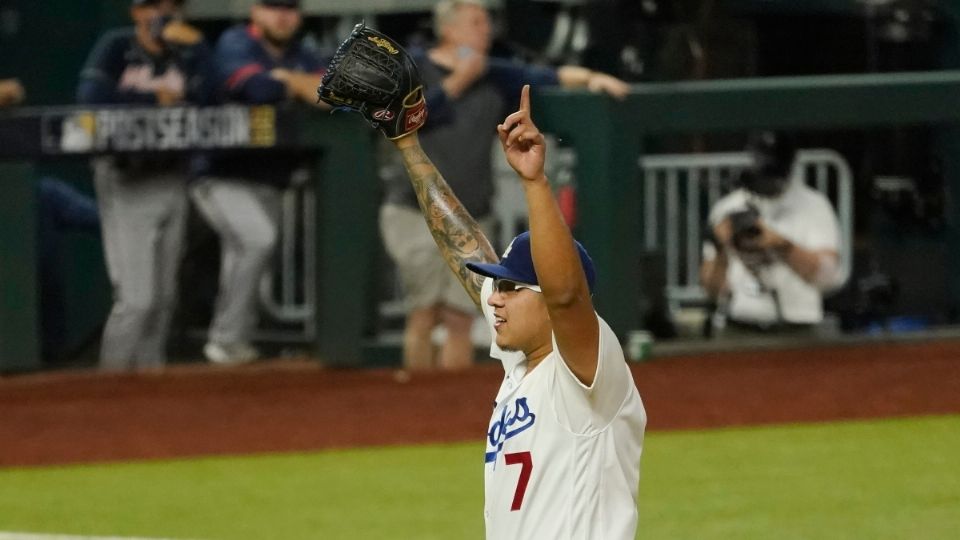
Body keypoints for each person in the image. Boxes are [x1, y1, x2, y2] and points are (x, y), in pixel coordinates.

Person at [391, 84, 646, 538]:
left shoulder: (588, 371)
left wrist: (534, 182)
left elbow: (566, 296)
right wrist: (409, 146)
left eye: (510, 288)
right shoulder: (519, 364)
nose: (493, 298)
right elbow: (464, 242)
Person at [380, 0, 631, 372]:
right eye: (476, 21)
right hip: (414, 212)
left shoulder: (492, 72)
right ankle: (415, 405)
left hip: (472, 213)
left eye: (486, 21)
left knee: (461, 317)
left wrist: (594, 79)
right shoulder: (415, 67)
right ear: (448, 29)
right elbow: (403, 119)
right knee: (424, 312)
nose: (486, 29)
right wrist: (458, 80)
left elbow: (549, 76)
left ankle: (447, 418)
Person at [77, 0, 214, 371]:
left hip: (172, 176)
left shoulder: (188, 54)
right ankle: (111, 385)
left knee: (165, 299)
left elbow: (215, 102)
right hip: (126, 177)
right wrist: (151, 99)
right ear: (137, 12)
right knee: (137, 300)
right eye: (154, 5)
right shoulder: (116, 46)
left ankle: (151, 386)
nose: (165, 14)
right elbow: (89, 102)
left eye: (173, 6)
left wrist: (199, 48)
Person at [190, 0, 328, 364]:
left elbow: (339, 93)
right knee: (256, 239)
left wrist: (288, 80)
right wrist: (297, 85)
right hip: (220, 173)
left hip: (268, 179)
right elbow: (256, 89)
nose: (282, 15)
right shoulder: (235, 42)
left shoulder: (303, 53)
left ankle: (232, 344)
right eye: (272, 7)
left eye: (290, 8)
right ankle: (225, 339)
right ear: (255, 11)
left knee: (246, 252)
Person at [700, 130, 847, 334]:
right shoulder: (729, 208)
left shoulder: (814, 206)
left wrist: (782, 246)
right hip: (741, 324)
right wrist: (721, 247)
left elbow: (829, 277)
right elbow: (711, 289)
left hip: (798, 328)